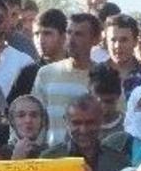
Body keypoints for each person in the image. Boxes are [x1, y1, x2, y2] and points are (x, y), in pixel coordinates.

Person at [32, 12, 99, 143]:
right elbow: (36, 118)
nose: (71, 40)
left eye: (79, 34)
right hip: (53, 157)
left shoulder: (103, 77)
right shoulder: (46, 73)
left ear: (95, 39)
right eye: (69, 33)